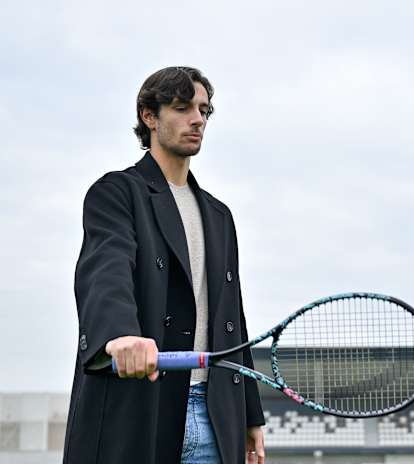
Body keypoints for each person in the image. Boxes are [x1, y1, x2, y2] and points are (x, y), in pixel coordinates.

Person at [64, 66, 266, 464]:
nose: (197, 120)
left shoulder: (219, 215)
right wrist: (120, 335)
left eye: (204, 111)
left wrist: (249, 416)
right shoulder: (117, 193)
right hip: (140, 409)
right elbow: (106, 268)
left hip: (215, 415)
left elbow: (231, 318)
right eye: (181, 108)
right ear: (149, 116)